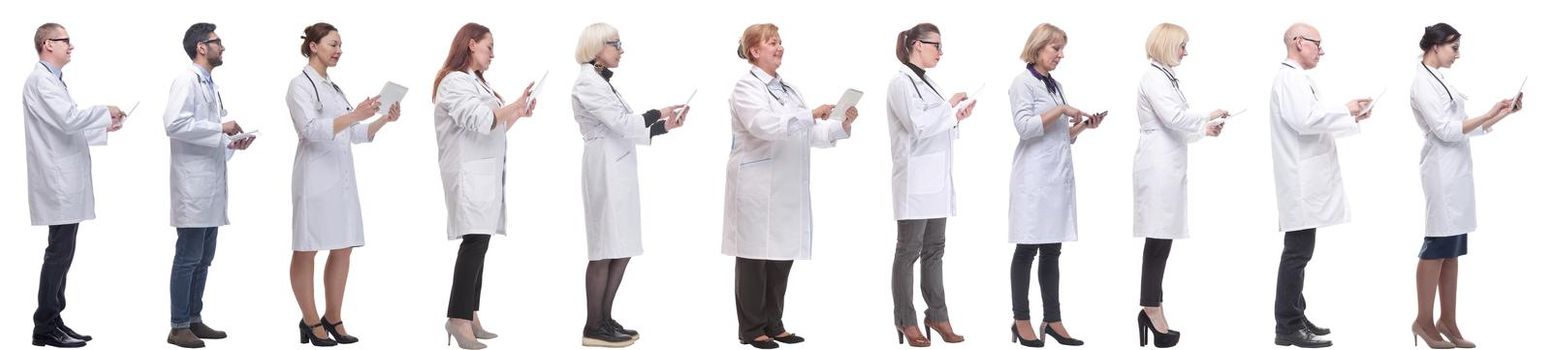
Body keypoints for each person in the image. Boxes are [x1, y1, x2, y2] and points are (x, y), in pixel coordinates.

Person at [724, 23, 858, 349]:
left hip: (784, 187)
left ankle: (774, 323)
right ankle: (752, 328)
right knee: (755, 259)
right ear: (755, 51)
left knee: (781, 258)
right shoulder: (746, 88)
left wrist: (841, 124)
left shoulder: (789, 89)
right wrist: (811, 115)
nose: (779, 47)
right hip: (757, 186)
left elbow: (808, 132)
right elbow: (763, 125)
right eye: (772, 43)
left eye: (780, 42)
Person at [568, 22, 687, 348]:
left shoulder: (603, 83)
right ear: (596, 48)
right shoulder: (587, 84)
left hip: (618, 168)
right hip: (604, 169)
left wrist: (663, 122)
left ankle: (605, 319)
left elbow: (626, 126)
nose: (621, 49)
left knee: (622, 247)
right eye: (615, 43)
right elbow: (621, 123)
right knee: (605, 247)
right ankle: (593, 326)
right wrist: (658, 117)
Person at [285, 22, 402, 347]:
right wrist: (355, 114)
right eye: (332, 44)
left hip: (340, 178)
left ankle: (332, 317)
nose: (338, 50)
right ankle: (310, 320)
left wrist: (381, 119)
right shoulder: (300, 85)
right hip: (314, 178)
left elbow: (355, 134)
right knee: (307, 248)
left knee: (343, 246)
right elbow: (309, 129)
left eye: (340, 46)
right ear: (313, 46)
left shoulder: (333, 88)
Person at [1408, 22, 1522, 350]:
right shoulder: (1421, 83)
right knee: (1436, 248)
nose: (1458, 54)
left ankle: (1448, 320)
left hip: (1456, 171)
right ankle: (1423, 321)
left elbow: (1463, 129)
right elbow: (1445, 130)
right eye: (1454, 47)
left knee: (1452, 251)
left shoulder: (1440, 80)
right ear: (1435, 46)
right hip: (1441, 173)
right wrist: (1486, 113)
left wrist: (1501, 114)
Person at [1268, 23, 1373, 348]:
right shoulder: (1289, 79)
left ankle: (1296, 315)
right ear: (1298, 42)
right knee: (1296, 254)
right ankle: (1287, 325)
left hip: (1306, 181)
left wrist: (1350, 116)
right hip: (1300, 182)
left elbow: (1313, 118)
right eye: (1317, 44)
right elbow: (1305, 120)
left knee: (1301, 252)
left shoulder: (1298, 79)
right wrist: (1345, 110)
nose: (1321, 50)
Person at [23, 22, 128, 349]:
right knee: (58, 253)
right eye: (64, 40)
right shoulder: (41, 81)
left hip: (65, 179)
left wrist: (102, 127)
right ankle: (44, 326)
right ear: (46, 44)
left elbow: (64, 126)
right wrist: (104, 110)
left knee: (63, 252)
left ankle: (54, 320)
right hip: (57, 181)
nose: (71, 45)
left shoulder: (53, 81)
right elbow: (69, 119)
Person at [433, 22, 536, 350]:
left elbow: (495, 127)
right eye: (489, 46)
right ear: (471, 44)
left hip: (483, 173)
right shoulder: (453, 83)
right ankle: (457, 319)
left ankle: (470, 314)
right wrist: (512, 107)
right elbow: (480, 120)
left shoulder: (478, 83)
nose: (493, 53)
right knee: (474, 242)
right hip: (467, 174)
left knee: (481, 241)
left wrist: (517, 113)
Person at [1131, 22, 1229, 348]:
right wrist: (1206, 116)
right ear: (1166, 44)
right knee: (1158, 239)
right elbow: (1174, 118)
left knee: (1163, 238)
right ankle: (1150, 307)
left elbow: (1176, 123)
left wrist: (1205, 130)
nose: (1186, 52)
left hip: (1168, 162)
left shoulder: (1166, 78)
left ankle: (1153, 306)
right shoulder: (1153, 78)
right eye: (1182, 45)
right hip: (1157, 166)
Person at [1007, 23, 1100, 348]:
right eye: (1055, 49)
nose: (1060, 55)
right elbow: (1025, 128)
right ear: (1038, 48)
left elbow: (1059, 134)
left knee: (1052, 250)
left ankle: (1053, 319)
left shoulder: (1055, 85)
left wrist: (1082, 128)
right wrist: (1061, 110)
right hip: (1033, 179)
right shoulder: (1023, 84)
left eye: (1062, 49)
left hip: (1056, 178)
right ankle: (1021, 319)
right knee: (1027, 248)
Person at [163, 22, 255, 348]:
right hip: (193, 187)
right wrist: (220, 127)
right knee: (188, 258)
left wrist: (232, 143)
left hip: (211, 187)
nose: (222, 47)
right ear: (201, 47)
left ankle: (194, 319)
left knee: (204, 259)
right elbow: (174, 124)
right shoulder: (186, 81)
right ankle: (178, 326)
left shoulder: (210, 84)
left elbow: (207, 133)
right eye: (218, 42)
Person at [885, 22, 975, 347]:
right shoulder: (900, 83)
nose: (940, 51)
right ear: (916, 45)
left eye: (940, 45)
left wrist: (954, 112)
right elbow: (918, 126)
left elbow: (936, 124)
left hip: (936, 182)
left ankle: (937, 315)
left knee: (935, 250)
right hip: (914, 183)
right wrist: (949, 111)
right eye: (935, 44)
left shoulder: (929, 83)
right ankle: (905, 320)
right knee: (908, 250)